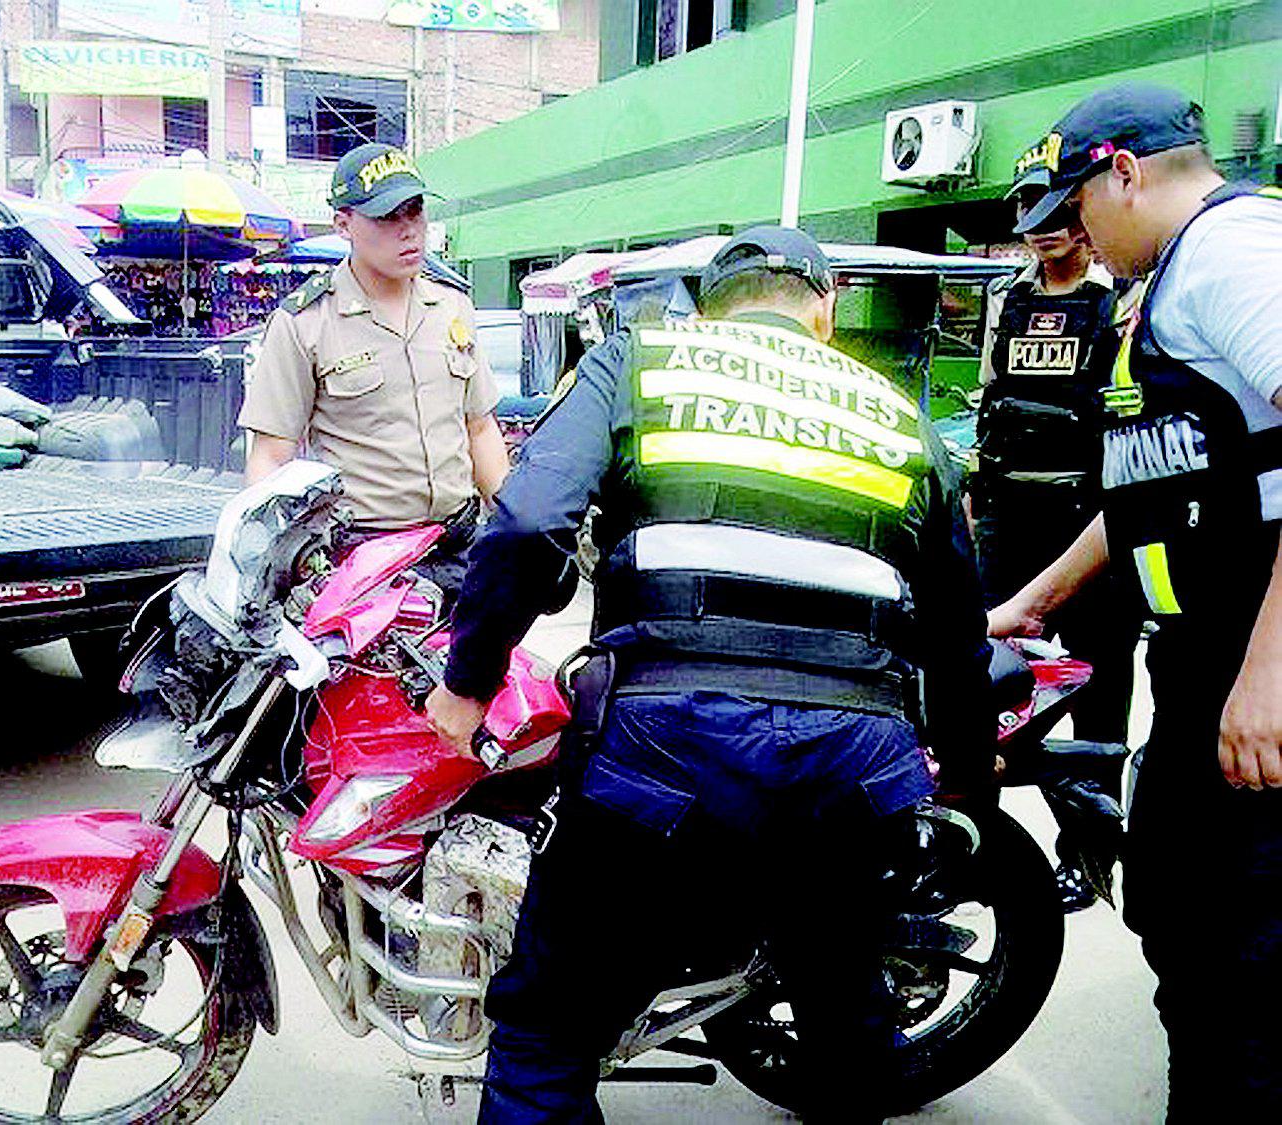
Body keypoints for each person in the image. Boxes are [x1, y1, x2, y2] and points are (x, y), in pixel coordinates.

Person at [426, 227, 996, 1123]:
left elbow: (531, 517)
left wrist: (468, 682)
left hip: (663, 755)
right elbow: (960, 625)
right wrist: (969, 784)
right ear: (826, 305)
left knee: (550, 1031)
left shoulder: (642, 361)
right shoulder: (896, 412)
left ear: (707, 305)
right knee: (848, 1024)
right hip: (851, 767)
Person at [993, 83, 1282, 1119]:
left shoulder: (1233, 251)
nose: (1074, 232)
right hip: (1200, 664)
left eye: (1080, 204)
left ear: (1126, 171)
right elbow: (1152, 490)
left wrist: (1270, 676)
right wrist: (1026, 600)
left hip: (1256, 666)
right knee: (1173, 908)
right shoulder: (1163, 285)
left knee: (1245, 962)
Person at [971, 139, 1145, 910]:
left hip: (1090, 519)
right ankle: (973, 836)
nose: (1042, 233)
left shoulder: (1122, 300)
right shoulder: (1007, 299)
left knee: (1097, 687)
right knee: (986, 682)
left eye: (1054, 217)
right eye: (1029, 218)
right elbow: (989, 404)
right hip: (1009, 514)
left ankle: (1090, 850)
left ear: (1080, 215)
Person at [239, 142, 509, 595]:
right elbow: (271, 454)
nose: (410, 232)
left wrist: (512, 528)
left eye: (415, 211)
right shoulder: (305, 321)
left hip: (460, 548)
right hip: (363, 562)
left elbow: (480, 429)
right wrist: (271, 559)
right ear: (344, 224)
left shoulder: (452, 306)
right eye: (388, 217)